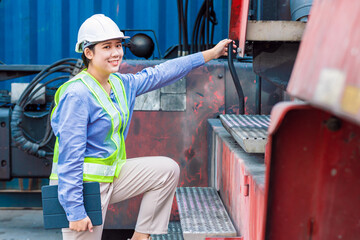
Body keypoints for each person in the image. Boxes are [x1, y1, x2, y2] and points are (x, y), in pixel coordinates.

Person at [49, 14, 236, 240]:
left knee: (166, 171)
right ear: (88, 53)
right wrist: (75, 210)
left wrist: (210, 54)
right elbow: (70, 156)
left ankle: (140, 237)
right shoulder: (76, 94)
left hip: (112, 176)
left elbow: (162, 73)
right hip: (82, 189)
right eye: (106, 47)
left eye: (118, 45)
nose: (116, 52)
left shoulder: (120, 84)